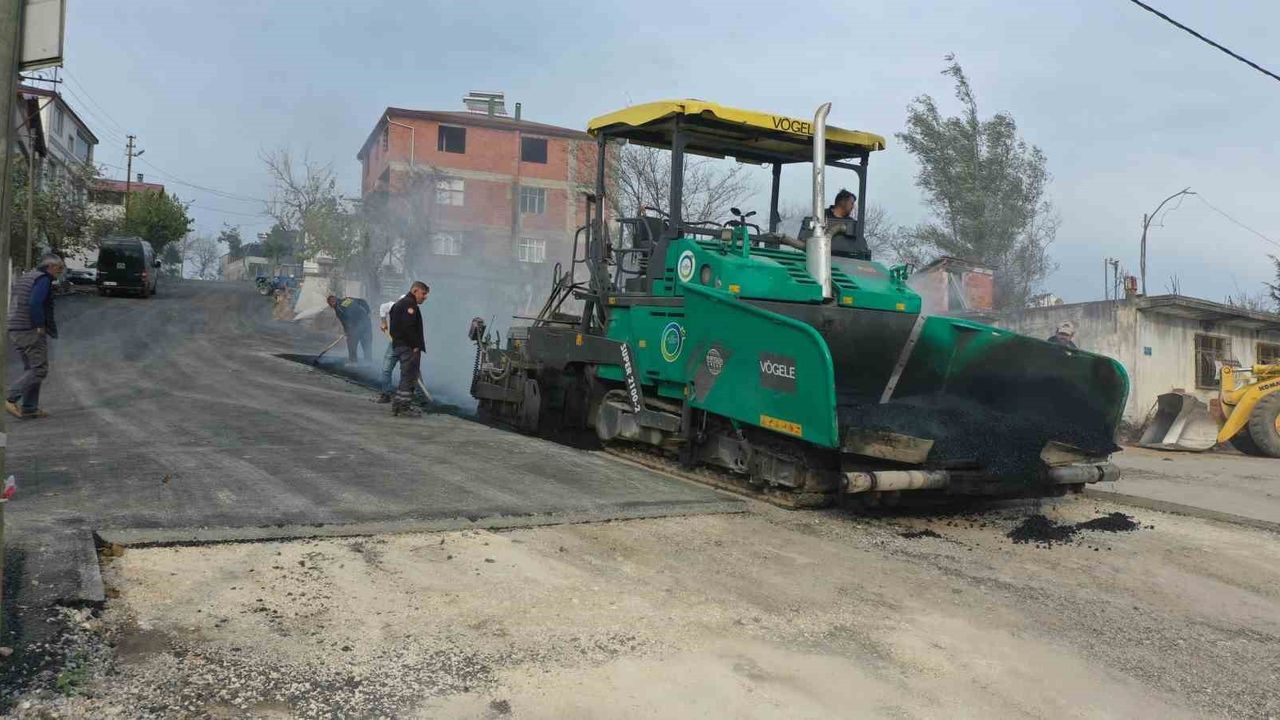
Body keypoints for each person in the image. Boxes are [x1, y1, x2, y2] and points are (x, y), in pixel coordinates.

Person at [6, 254, 65, 419]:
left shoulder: (28, 277)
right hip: (29, 329)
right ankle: (10, 398)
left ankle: (30, 408)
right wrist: (40, 325)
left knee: (32, 368)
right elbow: (35, 302)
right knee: (39, 368)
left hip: (15, 327)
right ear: (50, 267)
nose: (60, 272)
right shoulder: (43, 279)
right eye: (59, 268)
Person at [375, 296, 428, 405]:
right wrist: (384, 322)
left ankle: (421, 396)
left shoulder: (414, 312)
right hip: (395, 344)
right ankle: (386, 394)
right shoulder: (394, 306)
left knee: (413, 371)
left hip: (408, 345)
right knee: (386, 369)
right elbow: (382, 307)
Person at [388, 281, 430, 416]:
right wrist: (415, 346)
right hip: (408, 347)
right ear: (415, 291)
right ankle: (404, 408)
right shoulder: (409, 305)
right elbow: (408, 327)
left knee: (405, 376)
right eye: (423, 294)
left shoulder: (399, 304)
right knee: (410, 377)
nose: (424, 297)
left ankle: (398, 405)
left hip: (399, 345)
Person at [327, 294, 373, 364]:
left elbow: (345, 322)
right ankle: (369, 362)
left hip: (357, 326)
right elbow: (362, 301)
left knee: (351, 343)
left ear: (332, 303)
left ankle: (353, 362)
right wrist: (368, 311)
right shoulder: (347, 299)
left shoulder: (338, 308)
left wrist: (348, 331)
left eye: (332, 302)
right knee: (366, 344)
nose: (332, 304)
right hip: (366, 323)